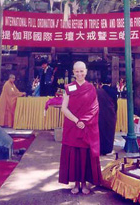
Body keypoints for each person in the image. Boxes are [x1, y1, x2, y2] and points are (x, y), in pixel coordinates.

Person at [59, 61, 102, 195]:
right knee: (74, 154)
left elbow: (95, 107)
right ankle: (76, 184)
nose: (79, 74)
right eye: (76, 71)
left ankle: (84, 184)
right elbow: (64, 108)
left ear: (86, 71)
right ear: (73, 72)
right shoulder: (69, 87)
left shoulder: (91, 88)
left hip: (86, 126)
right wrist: (77, 120)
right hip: (73, 126)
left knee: (85, 155)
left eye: (81, 71)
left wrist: (83, 121)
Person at [97, 81, 118, 155]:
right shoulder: (113, 92)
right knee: (109, 133)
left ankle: (99, 149)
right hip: (110, 115)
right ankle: (108, 149)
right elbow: (115, 105)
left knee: (100, 132)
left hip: (100, 114)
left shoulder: (98, 92)